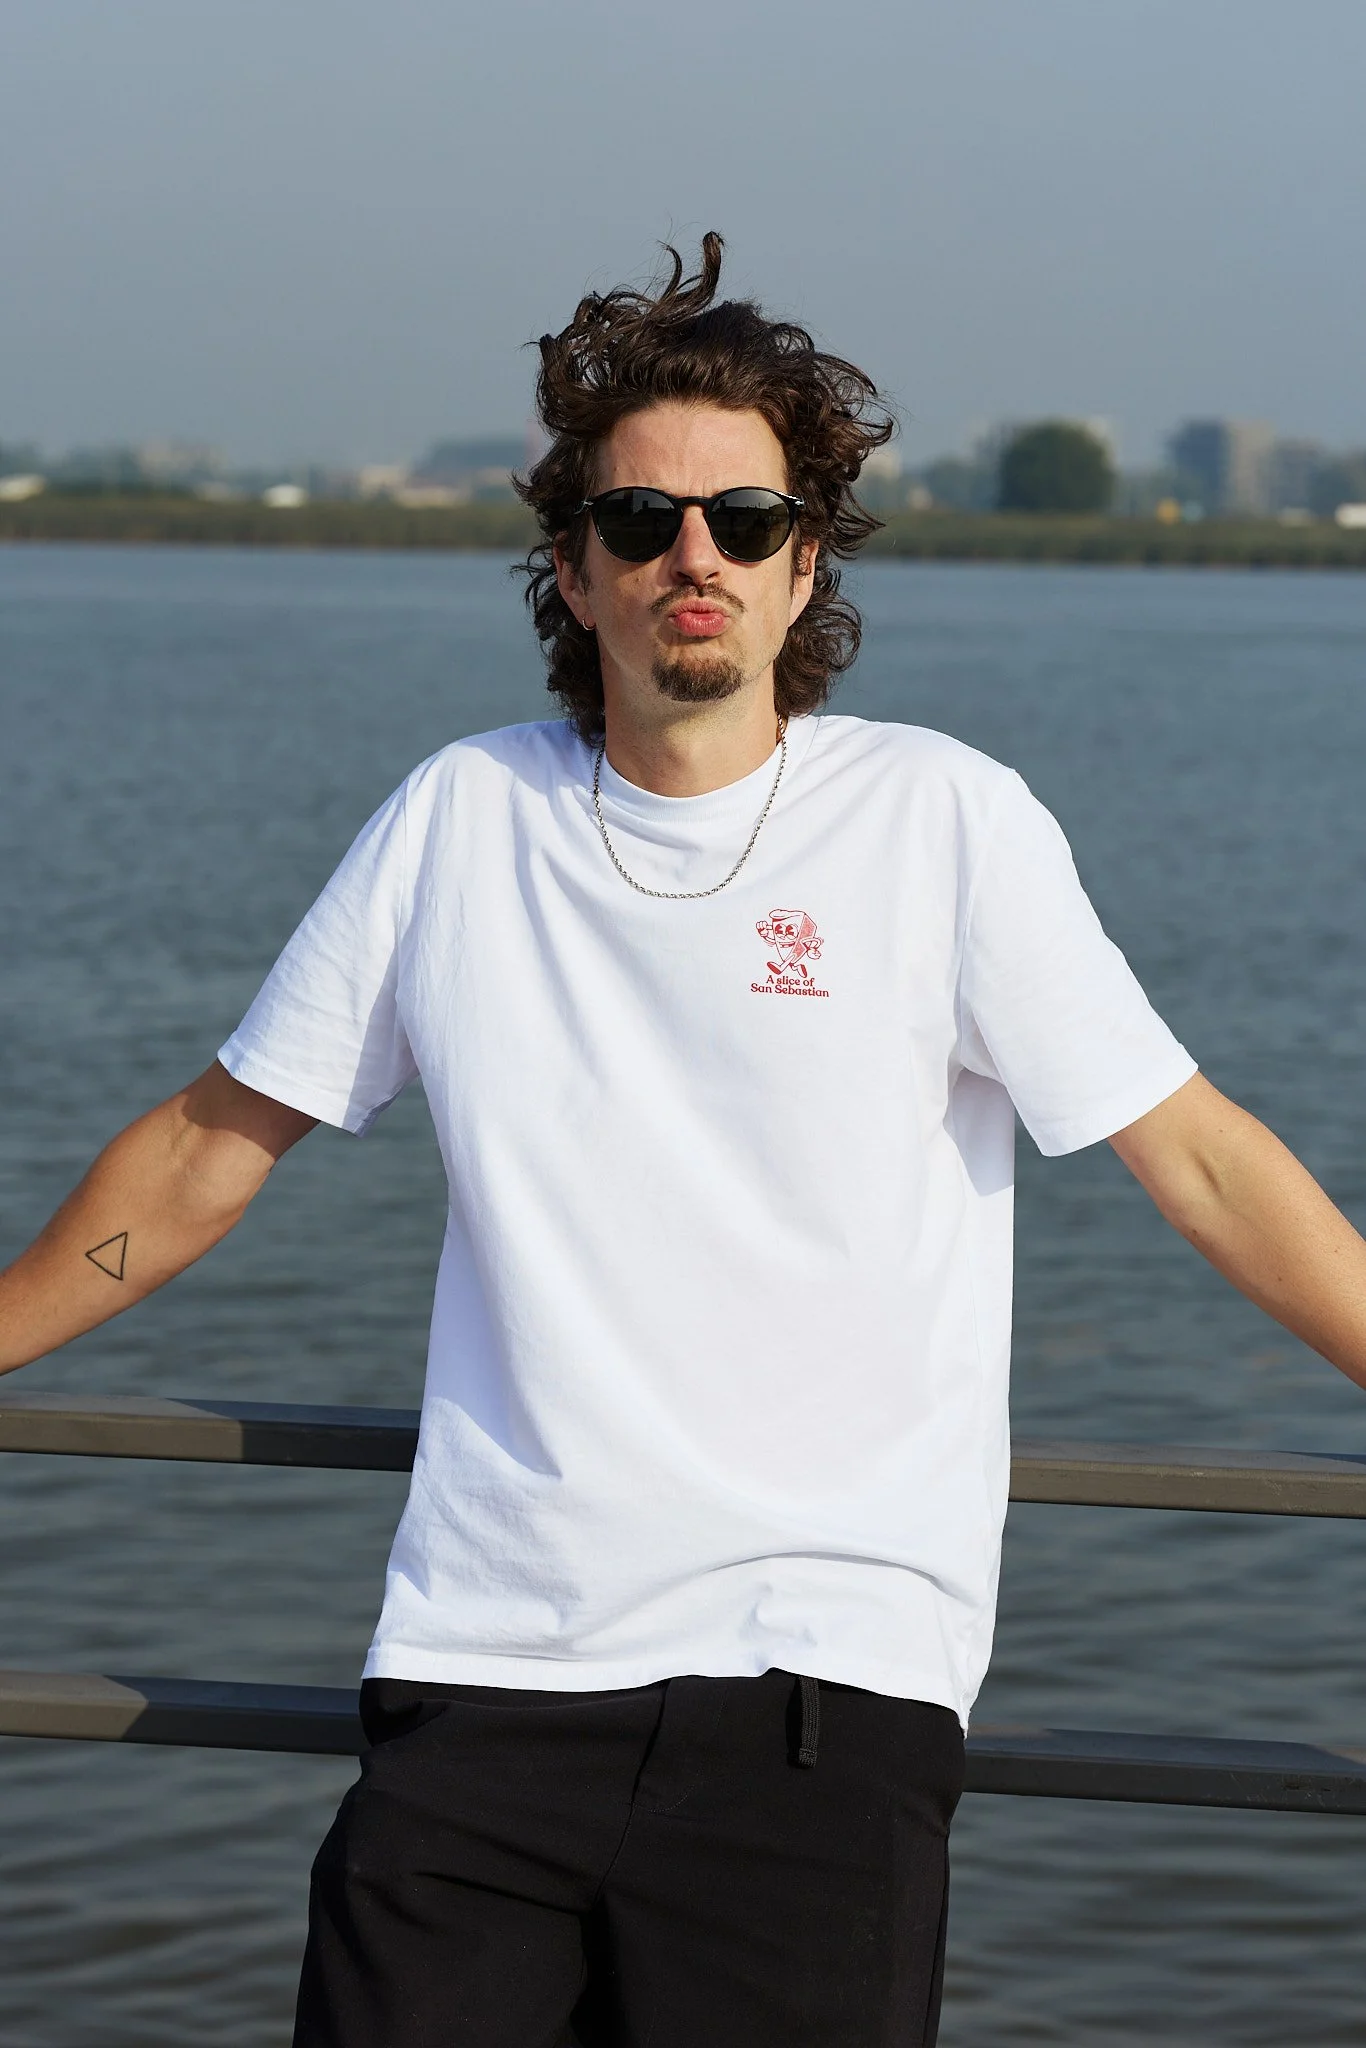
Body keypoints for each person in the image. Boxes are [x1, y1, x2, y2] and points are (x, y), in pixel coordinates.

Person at [3, 235, 1365, 2048]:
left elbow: (1195, 1158)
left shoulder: (941, 822)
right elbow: (207, 1146)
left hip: (821, 1699)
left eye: (743, 518)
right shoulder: (458, 818)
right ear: (574, 571)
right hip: (482, 1680)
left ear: (807, 562)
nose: (691, 557)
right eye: (640, 522)